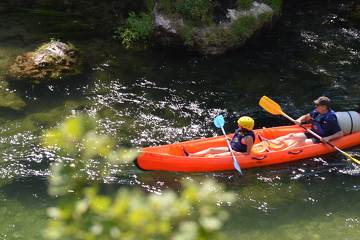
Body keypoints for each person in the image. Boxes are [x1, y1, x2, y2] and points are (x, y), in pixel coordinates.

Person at [275, 96, 343, 144]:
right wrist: (299, 120)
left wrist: (328, 138)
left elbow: (340, 133)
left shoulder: (330, 118)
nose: (315, 106)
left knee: (301, 143)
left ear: (324, 107)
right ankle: (271, 143)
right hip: (312, 132)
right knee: (291, 136)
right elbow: (305, 117)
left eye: (317, 105)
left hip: (321, 138)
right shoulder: (316, 112)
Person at [186, 116, 255, 157]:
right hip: (231, 148)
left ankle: (204, 160)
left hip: (235, 152)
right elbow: (237, 140)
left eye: (239, 124)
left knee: (214, 156)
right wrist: (230, 140)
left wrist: (236, 153)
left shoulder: (249, 138)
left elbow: (248, 153)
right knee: (211, 149)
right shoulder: (239, 130)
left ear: (243, 126)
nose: (238, 125)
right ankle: (191, 155)